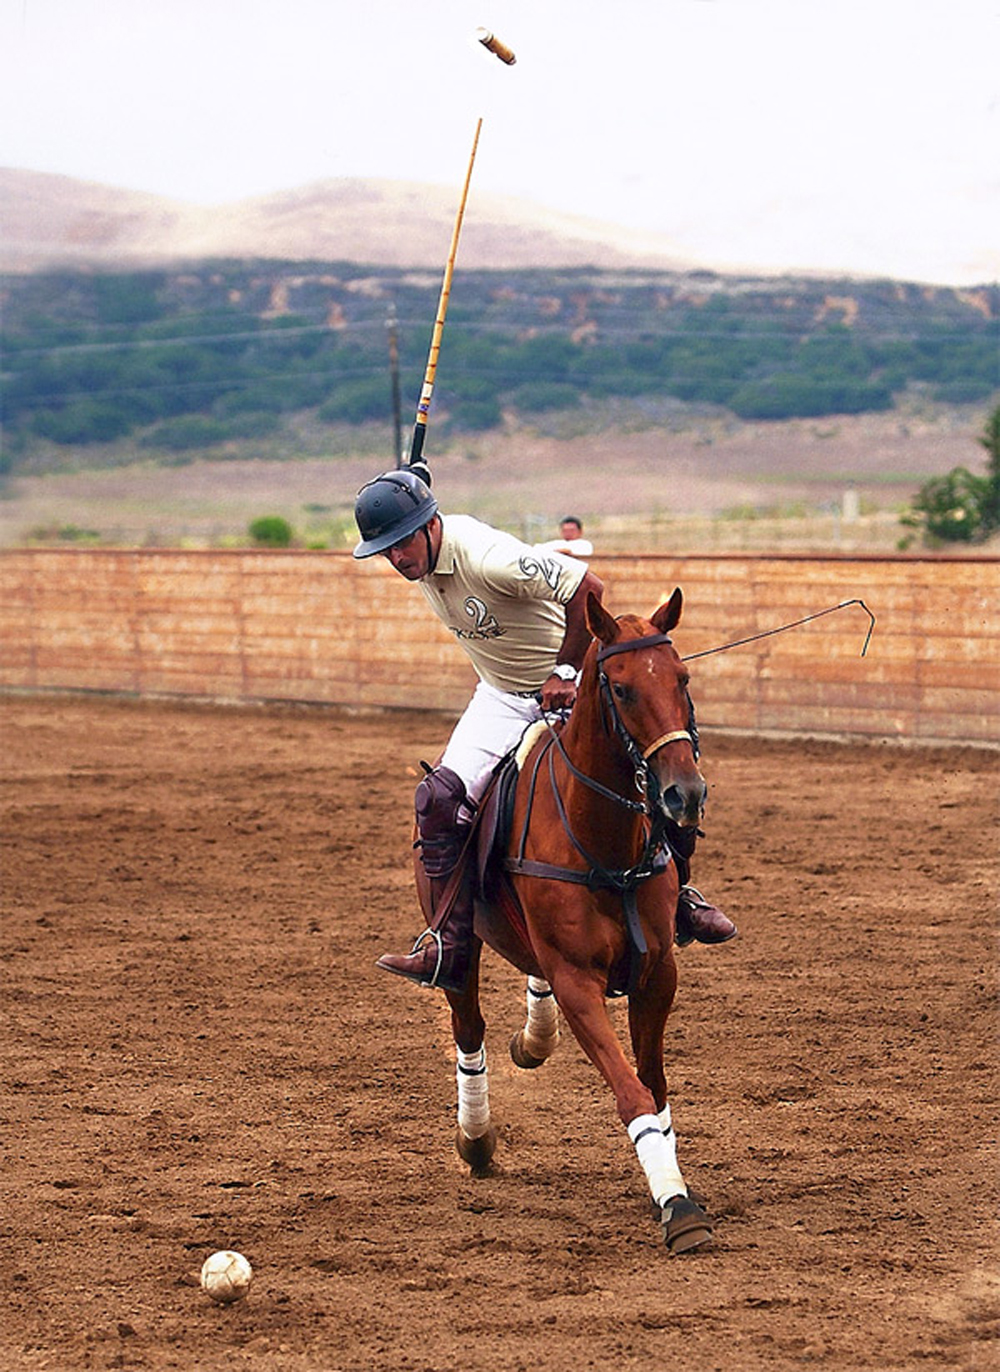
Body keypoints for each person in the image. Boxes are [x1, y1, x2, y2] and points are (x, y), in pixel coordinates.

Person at [352, 468, 736, 992]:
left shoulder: (488, 557)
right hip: (500, 695)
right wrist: (409, 487)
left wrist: (567, 670)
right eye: (386, 550)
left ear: (432, 525)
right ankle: (449, 943)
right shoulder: (422, 551)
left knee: (659, 767)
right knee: (437, 801)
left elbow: (587, 586)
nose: (397, 558)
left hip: (572, 690)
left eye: (403, 543)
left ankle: (682, 897)